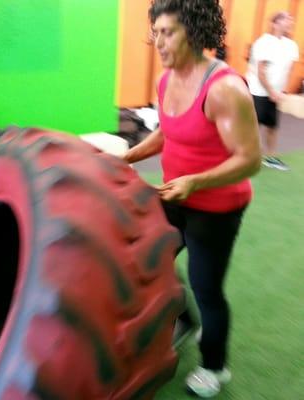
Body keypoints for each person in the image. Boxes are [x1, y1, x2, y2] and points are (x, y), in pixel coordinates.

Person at [124, 0, 261, 397]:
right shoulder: (166, 80)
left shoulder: (225, 90)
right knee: (152, 261)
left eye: (169, 33)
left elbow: (250, 160)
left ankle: (215, 368)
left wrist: (197, 182)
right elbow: (169, 130)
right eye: (157, 33)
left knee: (206, 287)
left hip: (217, 207)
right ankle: (184, 320)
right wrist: (130, 155)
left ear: (195, 32)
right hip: (176, 194)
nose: (159, 43)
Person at [246, 11, 299, 171]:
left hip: (275, 93)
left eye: (291, 19)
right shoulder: (263, 43)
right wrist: (272, 92)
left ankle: (271, 157)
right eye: (285, 19)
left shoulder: (291, 45)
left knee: (272, 126)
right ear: (275, 23)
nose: (290, 21)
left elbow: (288, 71)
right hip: (258, 90)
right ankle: (247, 156)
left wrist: (282, 91)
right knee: (254, 125)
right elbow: (261, 72)